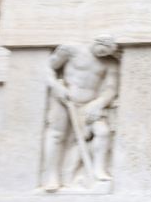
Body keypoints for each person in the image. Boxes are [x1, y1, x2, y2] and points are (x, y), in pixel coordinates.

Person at [41, 34, 120, 192]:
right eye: (101, 50)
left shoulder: (110, 63)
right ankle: (52, 176)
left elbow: (111, 89)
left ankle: (99, 170)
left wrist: (99, 103)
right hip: (65, 99)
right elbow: (47, 67)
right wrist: (56, 87)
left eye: (106, 52)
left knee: (102, 132)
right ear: (96, 42)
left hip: (89, 105)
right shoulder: (71, 50)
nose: (102, 54)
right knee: (56, 134)